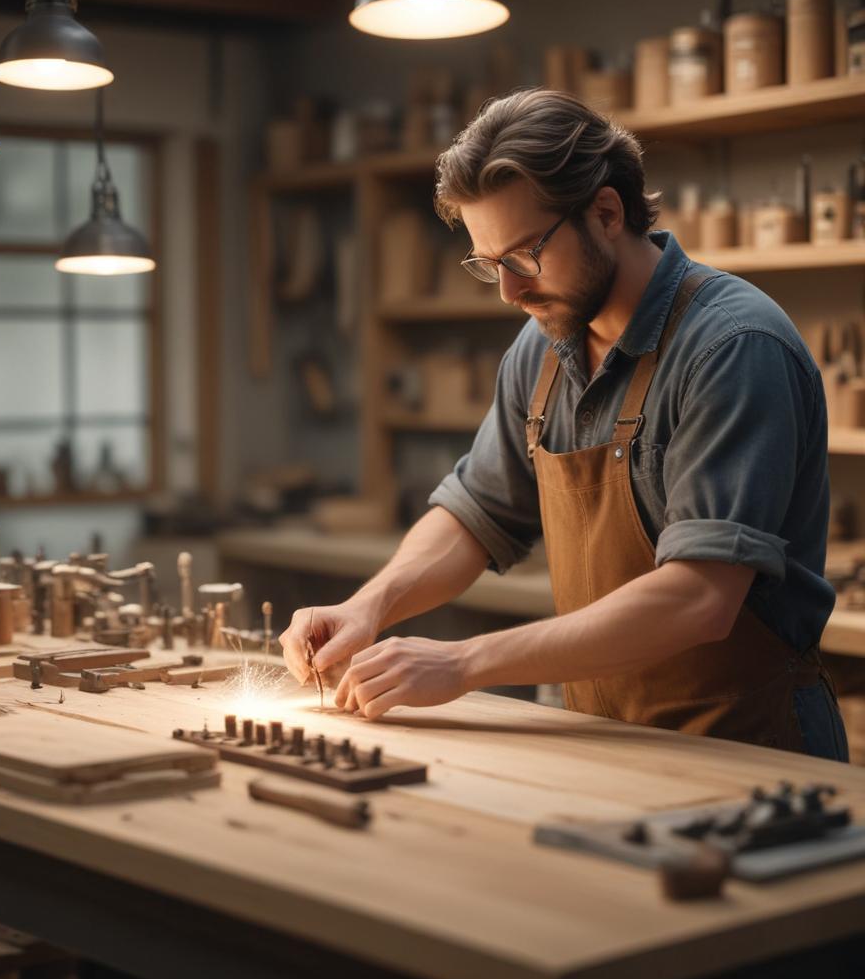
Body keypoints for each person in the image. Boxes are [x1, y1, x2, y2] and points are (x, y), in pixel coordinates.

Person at [279, 89, 848, 761]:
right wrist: (367, 608)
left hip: (744, 747)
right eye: (488, 265)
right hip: (604, 737)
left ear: (606, 212)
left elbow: (700, 597)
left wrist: (462, 663)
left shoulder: (733, 347)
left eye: (521, 257)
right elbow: (475, 513)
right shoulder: (544, 348)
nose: (508, 293)